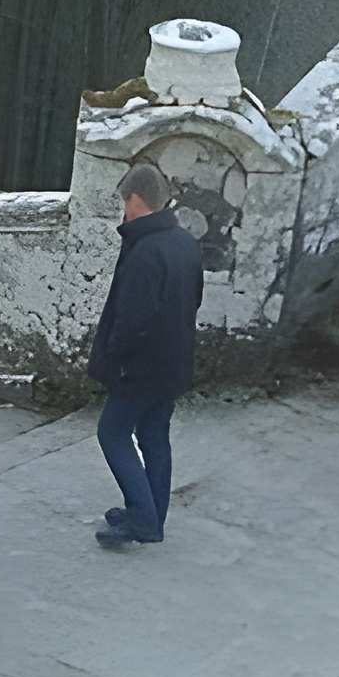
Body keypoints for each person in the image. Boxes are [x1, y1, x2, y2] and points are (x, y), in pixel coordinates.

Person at [89, 163, 203, 550]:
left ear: (136, 200)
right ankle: (154, 517)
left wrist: (115, 359)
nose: (124, 210)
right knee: (154, 435)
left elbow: (131, 319)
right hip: (172, 362)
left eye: (125, 202)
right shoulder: (185, 243)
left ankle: (141, 516)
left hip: (140, 367)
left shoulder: (145, 252)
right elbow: (194, 302)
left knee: (112, 433)